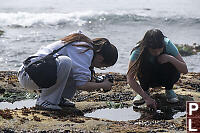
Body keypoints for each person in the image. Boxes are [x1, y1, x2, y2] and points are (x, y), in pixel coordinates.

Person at [18, 32, 118, 110]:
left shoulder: (83, 47)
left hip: (34, 73)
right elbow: (81, 84)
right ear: (100, 58)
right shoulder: (84, 50)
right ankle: (45, 101)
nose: (100, 67)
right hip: (29, 74)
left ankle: (57, 98)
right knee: (65, 62)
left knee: (71, 67)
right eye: (103, 66)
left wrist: (96, 80)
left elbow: (80, 76)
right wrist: (103, 85)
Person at [127, 29, 188, 110]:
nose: (157, 53)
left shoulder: (168, 44)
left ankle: (169, 90)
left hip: (165, 78)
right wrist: (146, 98)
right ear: (147, 46)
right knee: (141, 63)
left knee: (171, 62)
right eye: (153, 51)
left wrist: (170, 58)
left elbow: (184, 69)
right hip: (147, 79)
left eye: (160, 50)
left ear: (163, 45)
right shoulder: (138, 49)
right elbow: (130, 78)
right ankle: (144, 91)